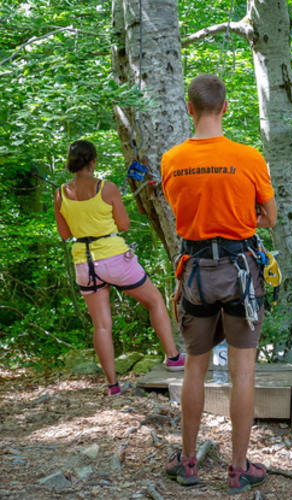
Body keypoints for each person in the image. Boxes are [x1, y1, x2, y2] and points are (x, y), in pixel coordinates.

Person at [161, 73, 276, 493]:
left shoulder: (172, 159)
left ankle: (188, 462)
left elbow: (181, 212)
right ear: (225, 107)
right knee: (242, 372)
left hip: (195, 275)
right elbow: (270, 215)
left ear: (190, 108)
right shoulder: (248, 158)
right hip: (241, 271)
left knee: (196, 366)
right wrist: (245, 220)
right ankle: (238, 467)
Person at [53, 140, 185, 396]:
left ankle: (113, 386)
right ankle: (173, 357)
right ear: (93, 161)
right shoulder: (106, 188)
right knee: (155, 301)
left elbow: (64, 233)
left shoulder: (61, 193)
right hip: (114, 258)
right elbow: (123, 224)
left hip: (84, 262)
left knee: (101, 325)